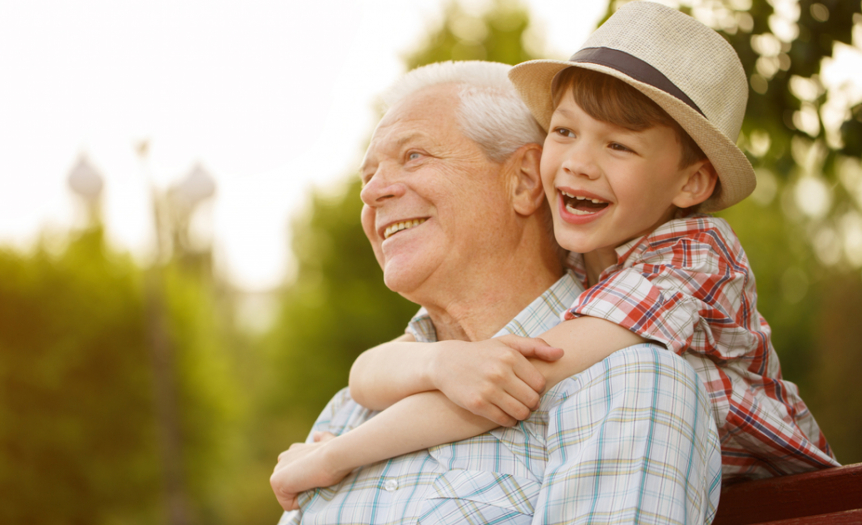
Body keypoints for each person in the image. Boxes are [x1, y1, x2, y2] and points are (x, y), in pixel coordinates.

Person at [336, 0, 839, 484]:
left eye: (618, 144)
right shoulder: (577, 255)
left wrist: (337, 457)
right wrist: (437, 361)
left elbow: (518, 380)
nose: (578, 162)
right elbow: (369, 370)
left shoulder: (694, 258)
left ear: (691, 183)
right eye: (564, 131)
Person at [272, 58, 721, 524]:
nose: (372, 193)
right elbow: (367, 372)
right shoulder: (352, 409)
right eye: (368, 177)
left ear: (524, 180)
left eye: (413, 156)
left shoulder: (628, 380)